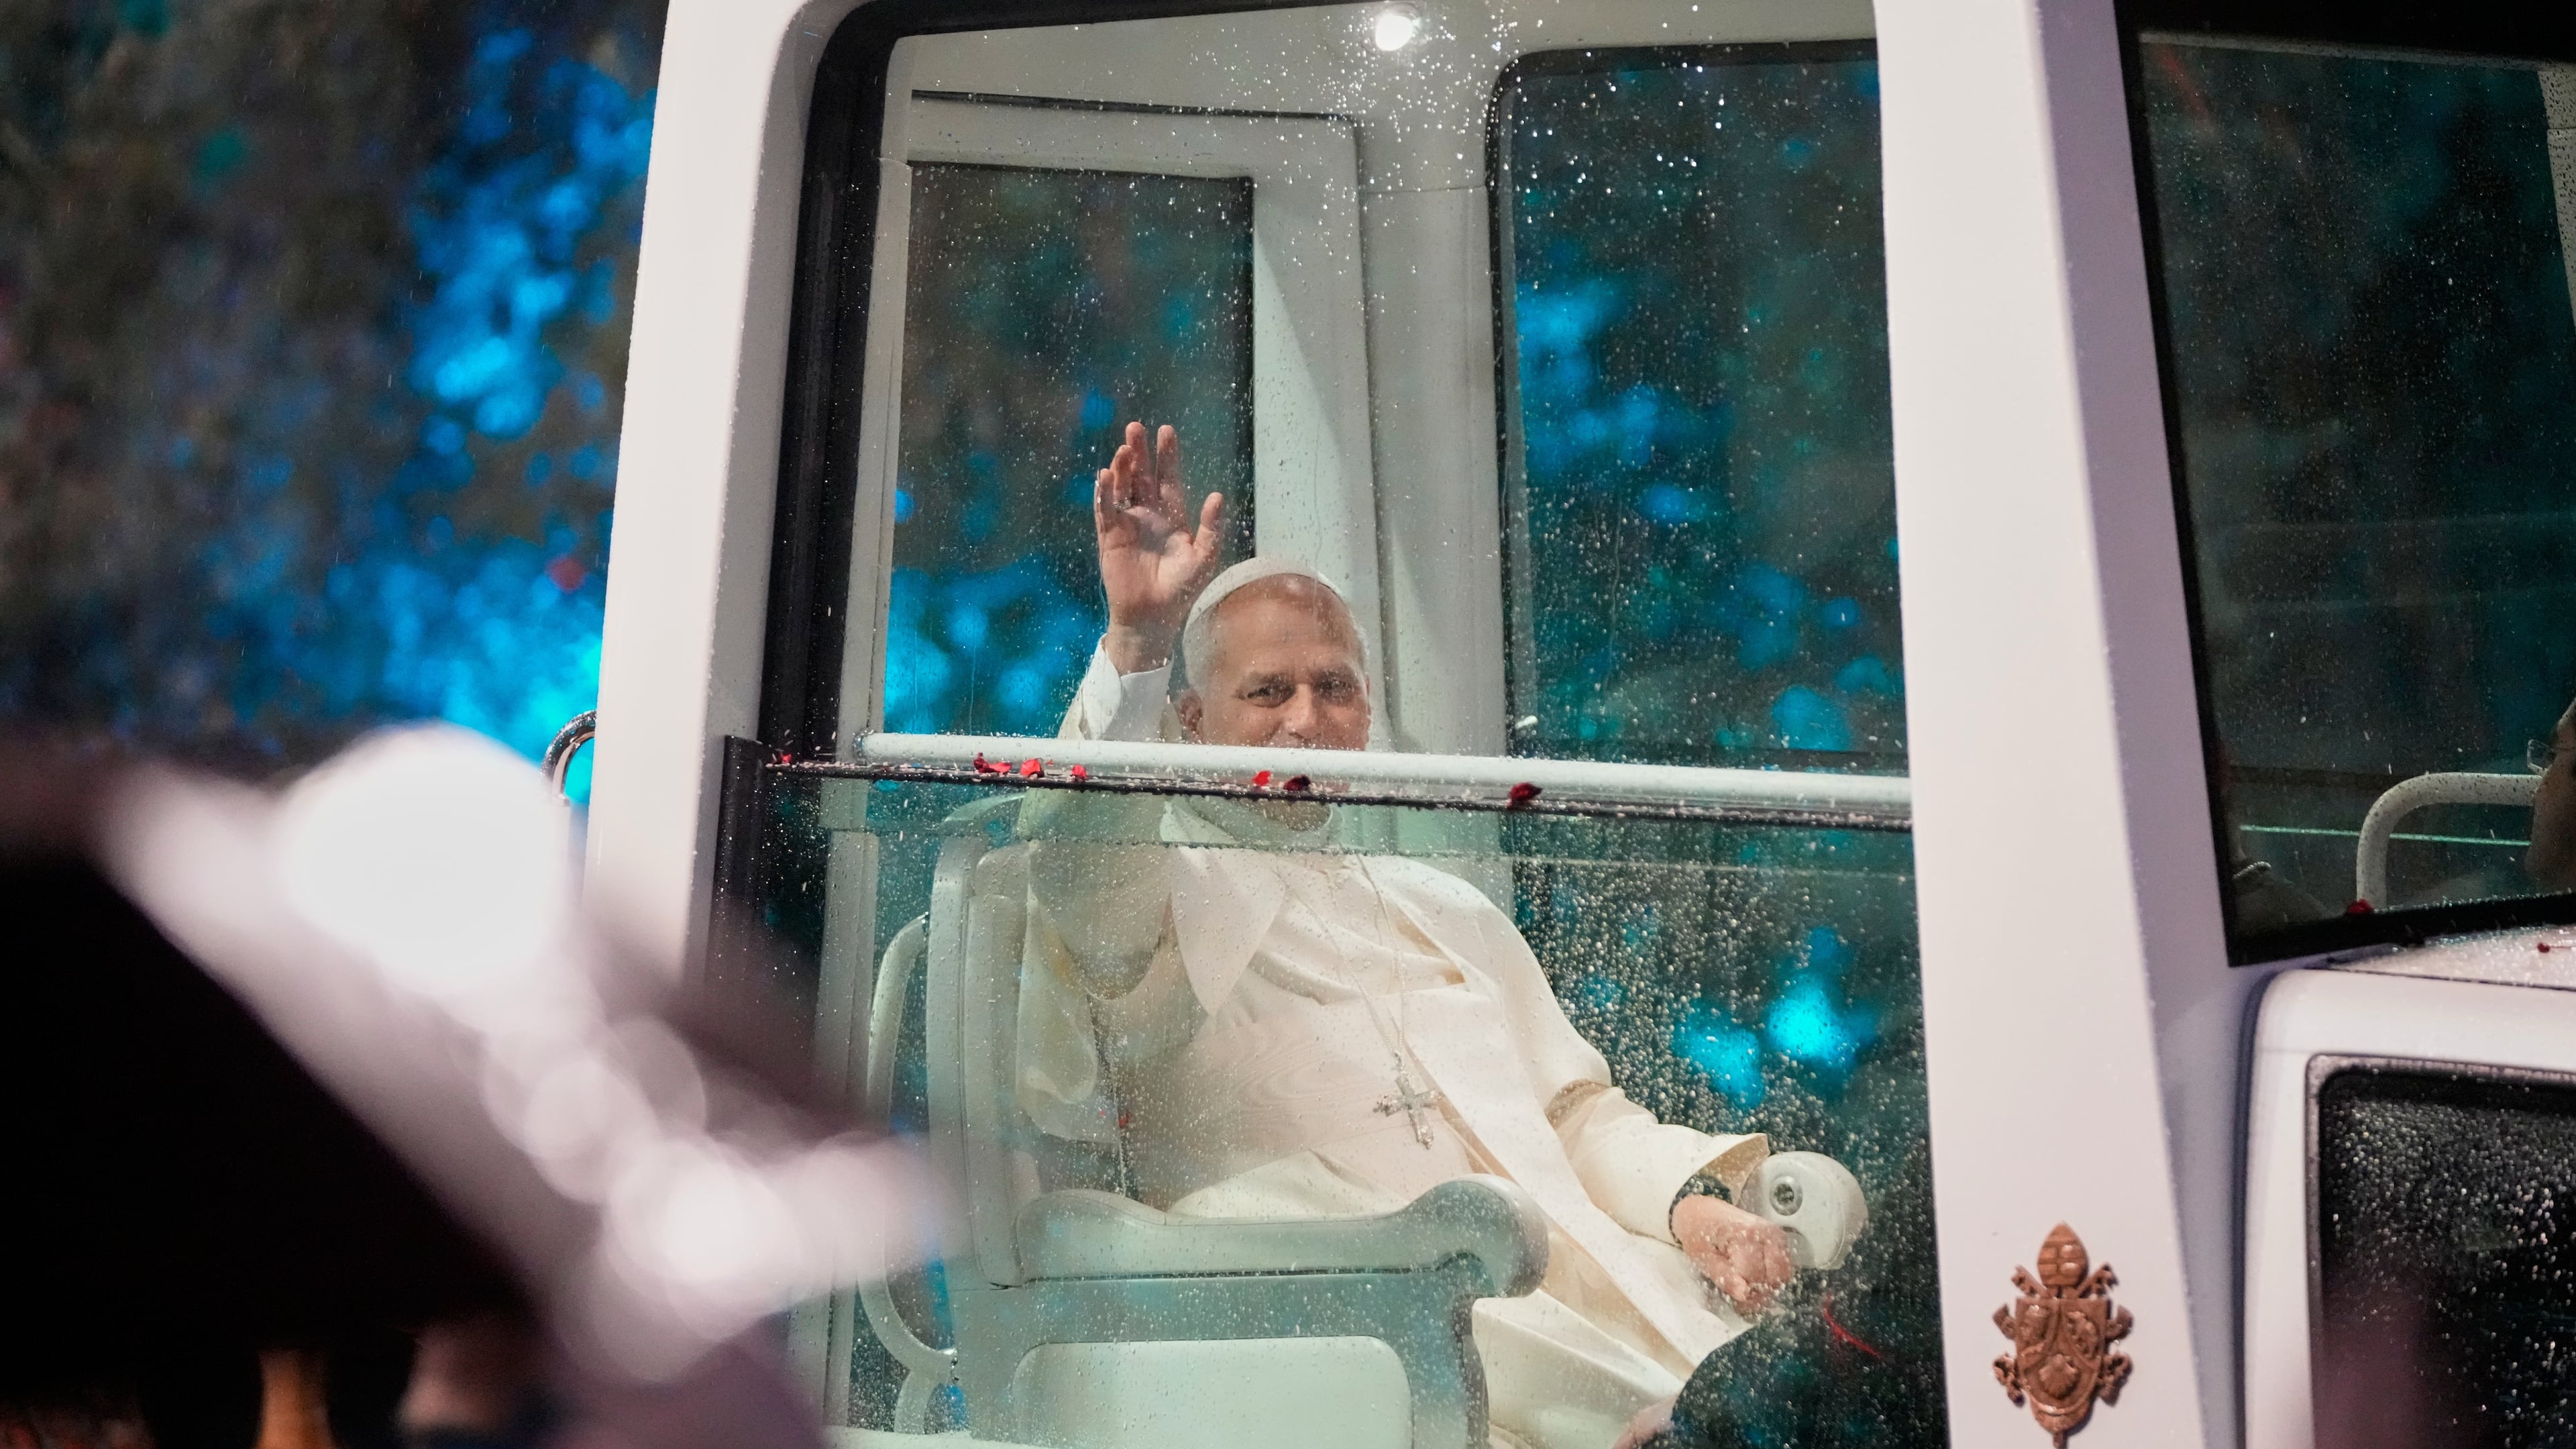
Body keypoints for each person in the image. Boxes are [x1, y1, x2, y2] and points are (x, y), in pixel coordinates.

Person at [1010, 423, 1829, 1449]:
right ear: (1189, 718)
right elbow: (1080, 863)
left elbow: (1574, 1118)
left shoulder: (1441, 906)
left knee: (1796, 1380)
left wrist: (1691, 1207)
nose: (1306, 720)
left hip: (1576, 1282)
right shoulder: (1161, 893)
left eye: (1334, 687)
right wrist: (1134, 643)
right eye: (1266, 692)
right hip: (1346, 1331)